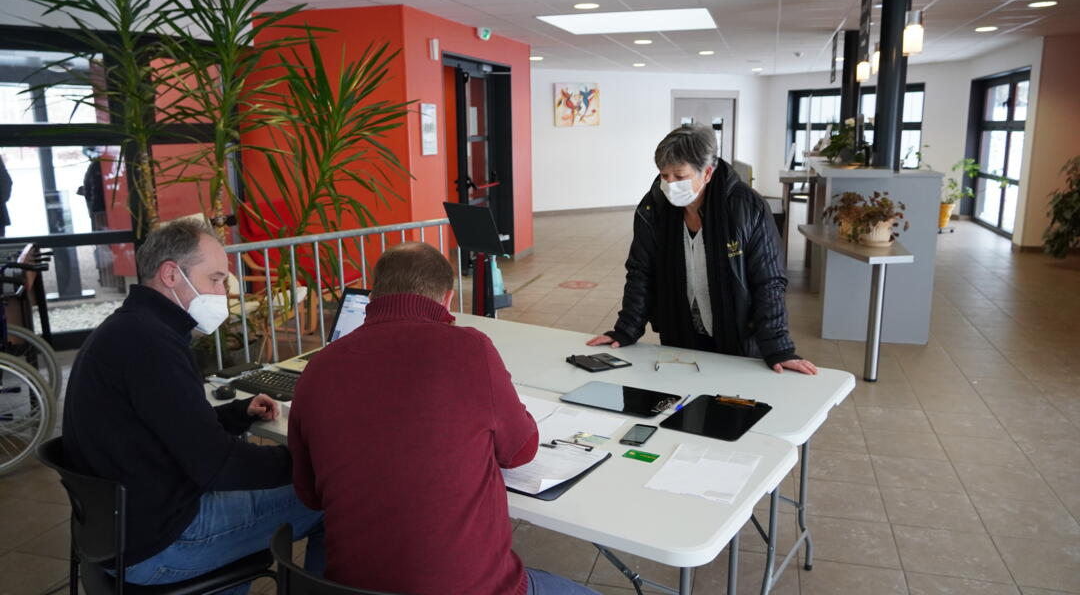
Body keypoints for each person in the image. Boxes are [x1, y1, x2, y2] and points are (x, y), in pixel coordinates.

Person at [289, 242, 598, 595]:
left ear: (374, 296)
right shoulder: (470, 348)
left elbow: (310, 495)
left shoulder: (319, 368)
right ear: (448, 299)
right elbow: (520, 452)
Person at [63, 219, 323, 591]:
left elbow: (165, 426)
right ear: (171, 274)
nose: (223, 293)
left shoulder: (128, 329)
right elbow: (218, 467)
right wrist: (310, 462)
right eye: (215, 279)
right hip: (161, 543)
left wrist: (234, 414)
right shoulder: (152, 346)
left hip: (118, 532)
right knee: (333, 497)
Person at [587, 124, 817, 375]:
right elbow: (641, 272)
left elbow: (769, 280)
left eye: (680, 176)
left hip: (737, 337)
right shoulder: (653, 209)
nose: (670, 184)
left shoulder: (746, 208)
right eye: (664, 176)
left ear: (707, 173)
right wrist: (626, 329)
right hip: (680, 334)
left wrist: (778, 346)